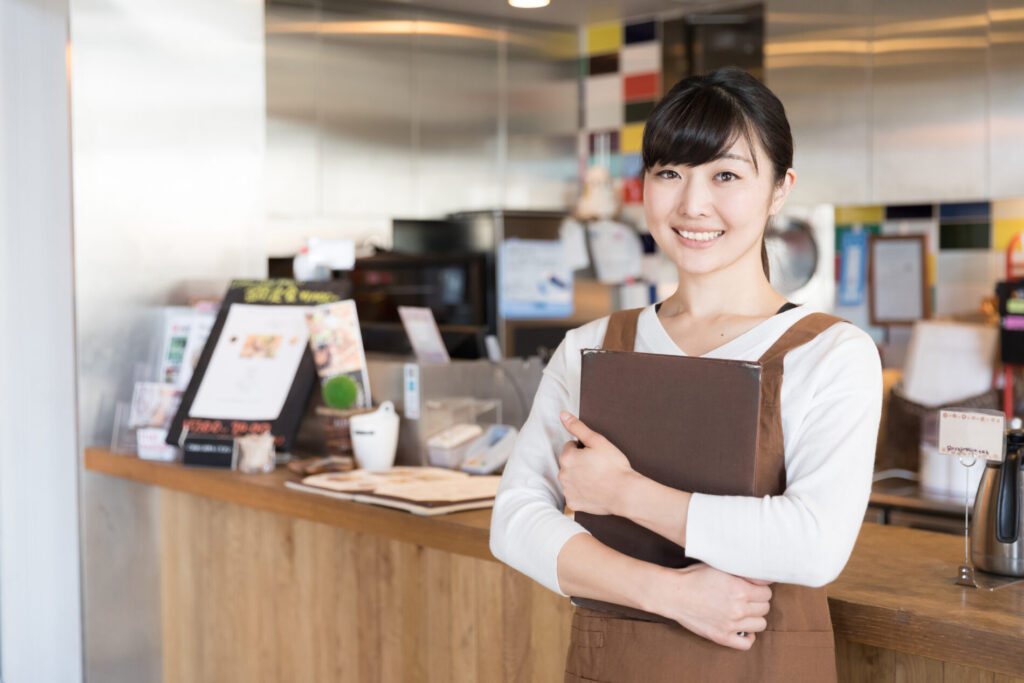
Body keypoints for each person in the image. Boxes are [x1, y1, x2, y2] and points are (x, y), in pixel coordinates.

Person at [489, 67, 882, 683]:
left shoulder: (831, 352)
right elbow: (514, 522)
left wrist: (623, 493)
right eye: (669, 173)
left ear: (780, 188)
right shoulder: (592, 346)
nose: (693, 204)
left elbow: (813, 543)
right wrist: (670, 594)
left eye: (726, 175)